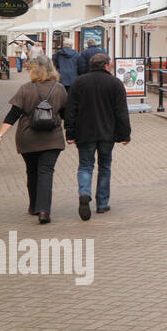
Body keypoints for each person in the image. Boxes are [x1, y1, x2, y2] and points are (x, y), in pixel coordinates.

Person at [0, 56, 68, 223]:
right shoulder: (60, 89)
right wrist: (72, 135)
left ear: (33, 70)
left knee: (32, 172)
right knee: (46, 172)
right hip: (52, 139)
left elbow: (12, 115)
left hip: (28, 138)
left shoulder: (25, 89)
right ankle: (44, 211)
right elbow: (67, 115)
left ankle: (34, 205)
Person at [63, 53, 131, 220]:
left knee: (85, 166)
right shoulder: (115, 83)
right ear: (107, 65)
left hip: (84, 132)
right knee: (105, 166)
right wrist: (125, 134)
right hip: (108, 133)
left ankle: (84, 193)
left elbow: (70, 110)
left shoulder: (78, 82)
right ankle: (102, 204)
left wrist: (70, 132)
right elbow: (121, 111)